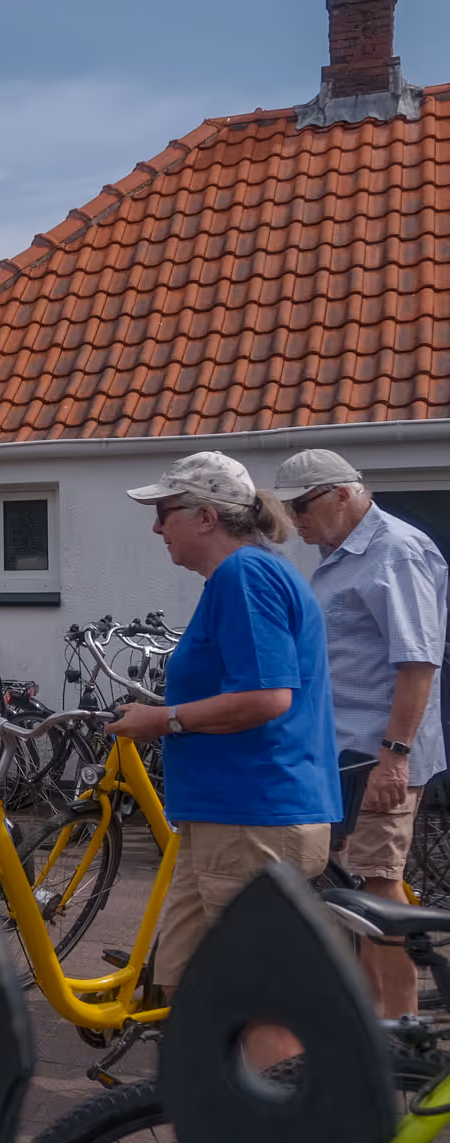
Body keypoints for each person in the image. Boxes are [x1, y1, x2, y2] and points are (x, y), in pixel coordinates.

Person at [110, 451, 340, 1060]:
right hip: (227, 817)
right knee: (189, 986)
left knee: (256, 998)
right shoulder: (248, 575)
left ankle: (286, 1125)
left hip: (253, 816)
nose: (157, 528)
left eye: (164, 512)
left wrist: (162, 719)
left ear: (206, 516)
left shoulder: (245, 576)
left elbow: (267, 697)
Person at [277, 448, 448, 1018]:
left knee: (378, 886)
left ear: (343, 494)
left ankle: (400, 1030)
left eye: (303, 505)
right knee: (354, 890)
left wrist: (393, 757)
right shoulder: (339, 553)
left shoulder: (394, 551)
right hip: (343, 753)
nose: (295, 518)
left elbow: (418, 663)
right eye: (289, 507)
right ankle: (368, 1017)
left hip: (374, 754)